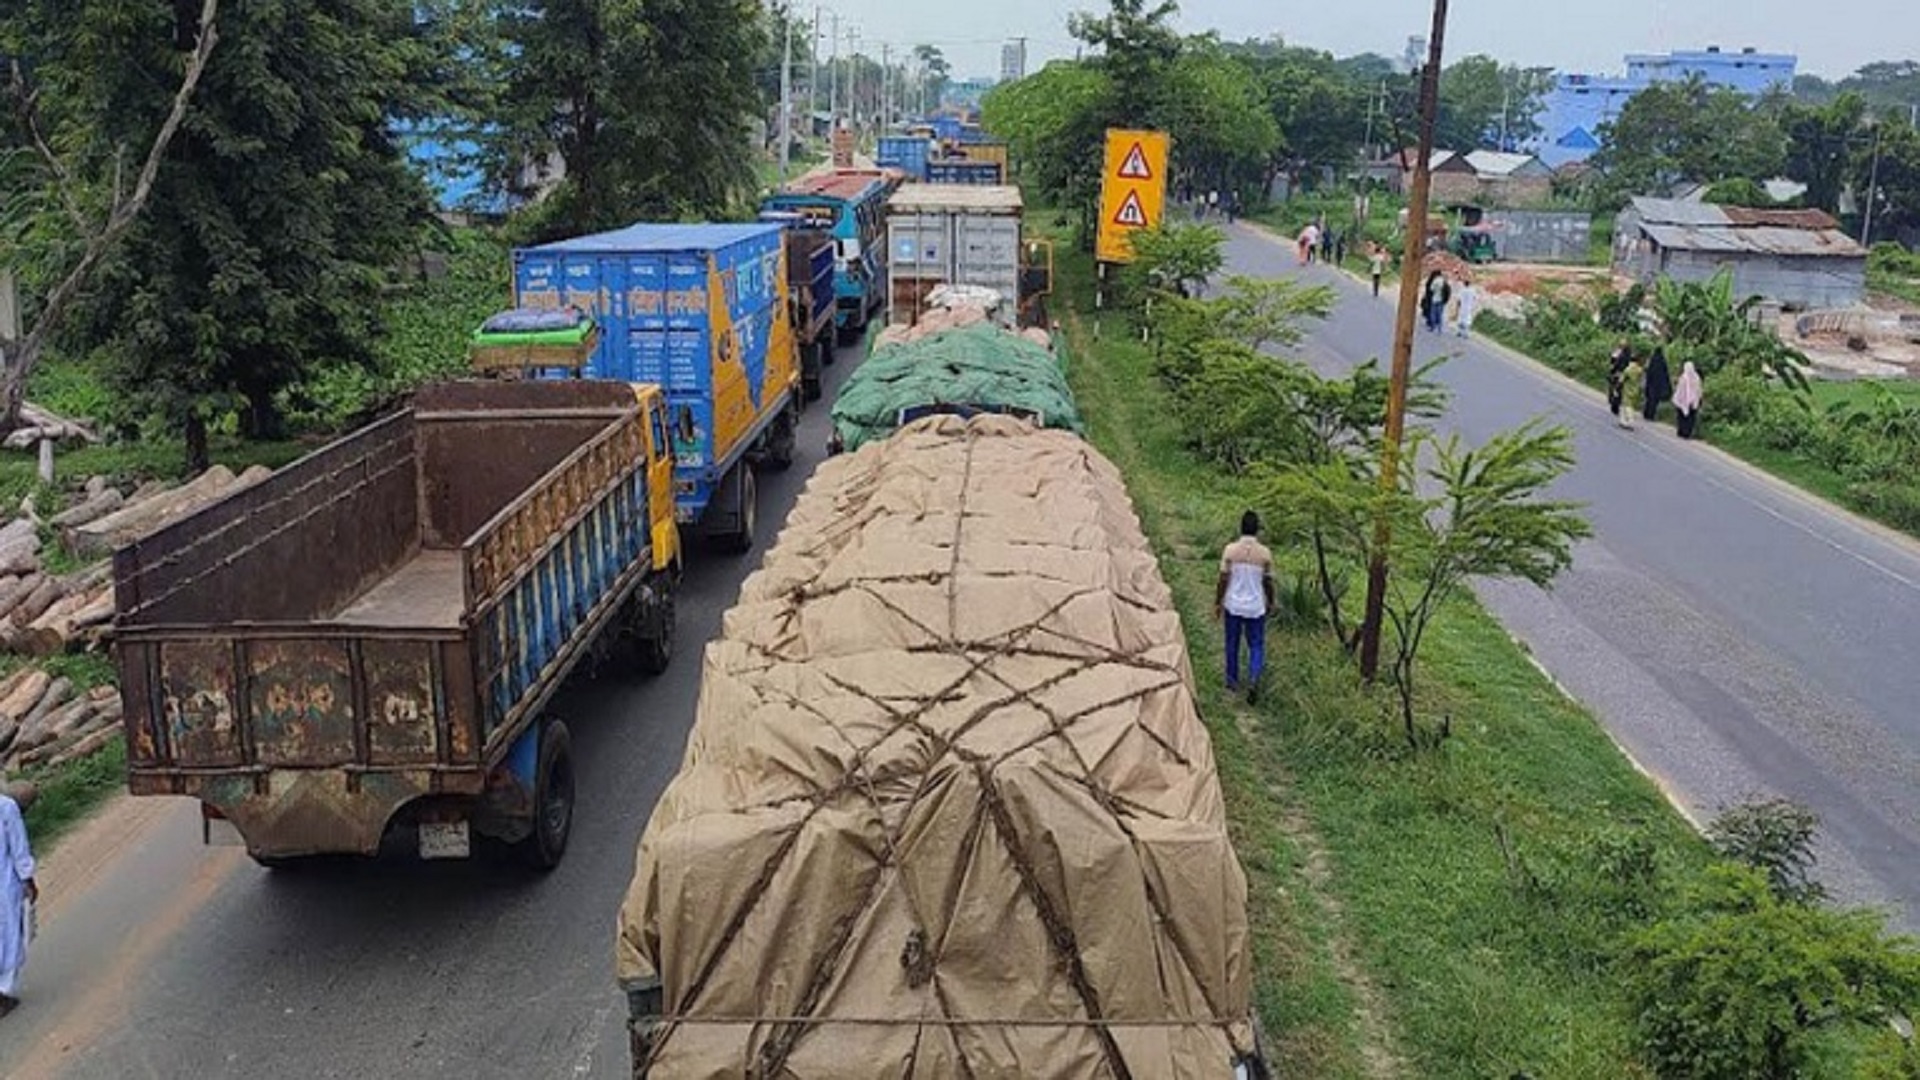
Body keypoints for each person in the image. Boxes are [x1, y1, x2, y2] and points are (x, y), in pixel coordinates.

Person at [1216, 511, 1276, 705]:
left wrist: (1218, 602)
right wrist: (1271, 602)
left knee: (1232, 643)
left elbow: (1223, 580)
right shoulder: (1264, 554)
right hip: (1255, 607)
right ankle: (1254, 677)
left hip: (1233, 605)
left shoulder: (1230, 550)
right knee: (1256, 645)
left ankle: (1232, 682)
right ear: (1257, 529)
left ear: (1240, 527)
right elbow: (1268, 582)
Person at [0, 785, 36, 1018]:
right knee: (10, 933)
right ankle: (2, 992)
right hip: (4, 884)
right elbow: (18, 848)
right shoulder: (6, 807)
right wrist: (28, 879)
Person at [1642, 346, 1674, 422]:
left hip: (1651, 384)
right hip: (1658, 385)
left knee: (1649, 399)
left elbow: (1649, 372)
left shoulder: (1653, 360)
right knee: (1655, 401)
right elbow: (1665, 374)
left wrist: (1647, 381)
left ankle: (1646, 413)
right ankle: (1651, 415)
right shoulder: (1663, 362)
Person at [1673, 360, 1704, 439]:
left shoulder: (1683, 377)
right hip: (1693, 402)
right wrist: (1698, 398)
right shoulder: (1696, 377)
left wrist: (1679, 399)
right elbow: (1699, 390)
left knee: (1682, 417)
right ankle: (1687, 432)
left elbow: (1680, 389)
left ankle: (1682, 431)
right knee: (1690, 418)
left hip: (1683, 401)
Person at [1607, 340, 1633, 419]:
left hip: (1618, 374)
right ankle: (1616, 405)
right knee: (1620, 391)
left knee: (1616, 390)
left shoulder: (1620, 354)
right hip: (1625, 375)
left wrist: (1612, 370)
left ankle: (1614, 405)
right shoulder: (1629, 356)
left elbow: (1615, 363)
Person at [1619, 355, 1645, 430]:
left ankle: (1628, 421)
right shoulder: (1640, 370)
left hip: (1627, 389)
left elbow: (1622, 379)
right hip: (1636, 390)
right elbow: (1642, 381)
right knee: (1632, 406)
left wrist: (1618, 386)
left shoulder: (1628, 369)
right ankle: (1625, 421)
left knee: (1626, 405)